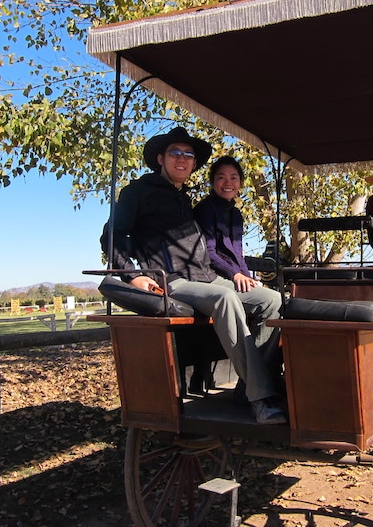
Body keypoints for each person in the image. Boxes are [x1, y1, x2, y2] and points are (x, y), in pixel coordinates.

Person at [101, 127, 286, 425]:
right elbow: (111, 235)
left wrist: (243, 272)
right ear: (160, 158)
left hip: (206, 278)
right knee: (225, 297)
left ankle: (249, 384)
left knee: (274, 301)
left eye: (188, 155)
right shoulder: (138, 192)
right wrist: (132, 276)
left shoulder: (183, 198)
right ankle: (261, 399)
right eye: (176, 153)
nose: (183, 159)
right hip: (171, 280)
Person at [193, 156, 284, 401]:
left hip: (233, 277)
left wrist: (247, 276)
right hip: (210, 278)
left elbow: (237, 251)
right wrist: (235, 274)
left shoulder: (235, 214)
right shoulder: (205, 210)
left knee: (279, 300)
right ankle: (255, 383)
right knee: (273, 301)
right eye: (221, 177)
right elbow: (208, 252)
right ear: (213, 181)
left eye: (233, 178)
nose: (227, 183)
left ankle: (259, 377)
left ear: (241, 183)